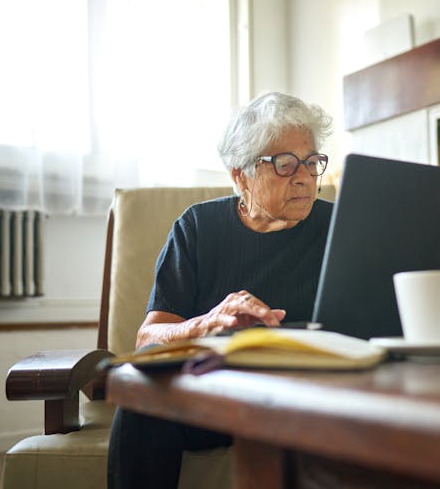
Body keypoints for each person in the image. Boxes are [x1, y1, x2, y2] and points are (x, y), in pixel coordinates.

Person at [107, 91, 334, 489]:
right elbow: (148, 338)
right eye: (285, 164)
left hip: (311, 396)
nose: (303, 176)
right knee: (141, 404)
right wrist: (205, 323)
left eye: (312, 162)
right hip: (217, 399)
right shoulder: (197, 228)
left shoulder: (341, 225)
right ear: (240, 175)